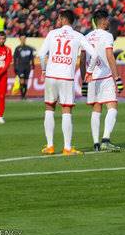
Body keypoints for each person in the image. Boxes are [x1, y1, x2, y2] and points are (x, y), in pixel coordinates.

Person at [38, 9, 97, 156]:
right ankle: (67, 147)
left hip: (51, 75)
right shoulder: (78, 36)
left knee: (49, 108)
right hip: (66, 77)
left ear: (62, 19)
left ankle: (50, 146)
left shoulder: (52, 34)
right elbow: (94, 54)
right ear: (73, 22)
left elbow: (40, 54)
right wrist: (89, 71)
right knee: (66, 110)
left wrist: (44, 70)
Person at [80, 10, 123, 152]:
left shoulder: (87, 36)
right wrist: (117, 78)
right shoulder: (107, 35)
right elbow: (110, 56)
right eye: (107, 19)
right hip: (105, 75)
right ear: (103, 21)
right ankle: (105, 139)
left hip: (91, 77)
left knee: (96, 108)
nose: (109, 22)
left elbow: (82, 59)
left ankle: (96, 143)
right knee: (112, 106)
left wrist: (83, 79)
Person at [13, 35, 35, 100]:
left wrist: (33, 65)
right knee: (22, 81)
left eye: (24, 38)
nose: (23, 40)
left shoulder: (29, 48)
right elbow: (15, 58)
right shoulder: (18, 48)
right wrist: (14, 67)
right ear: (19, 39)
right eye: (22, 38)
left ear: (25, 39)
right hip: (20, 66)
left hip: (27, 66)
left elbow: (32, 58)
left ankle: (24, 95)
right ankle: (22, 95)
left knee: (25, 82)